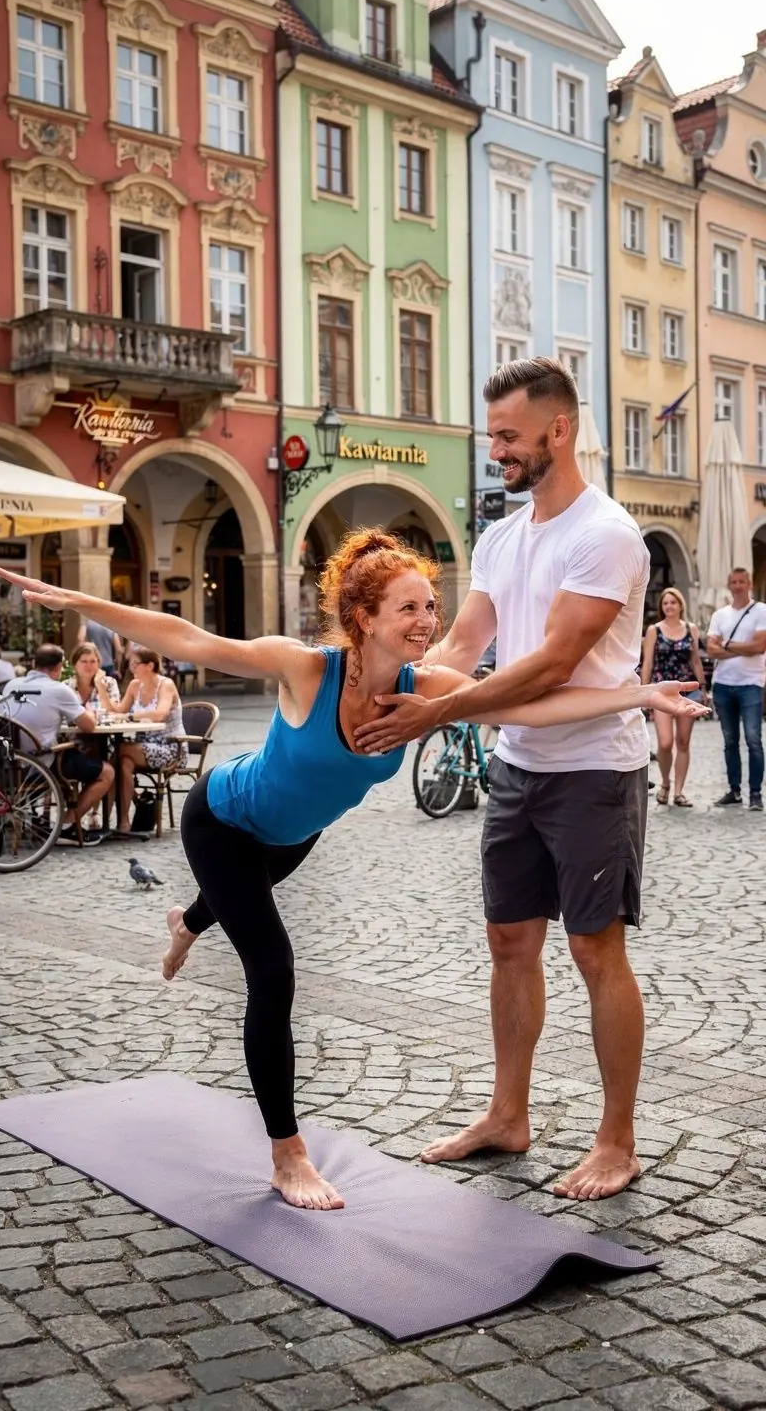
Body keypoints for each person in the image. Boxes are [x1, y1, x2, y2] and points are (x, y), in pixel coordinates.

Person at [0, 537, 702, 1210]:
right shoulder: (307, 668)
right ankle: (287, 1155)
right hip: (224, 822)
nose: (428, 622)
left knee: (252, 893)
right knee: (272, 971)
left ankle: (190, 919)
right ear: (364, 618)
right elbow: (187, 638)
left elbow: (533, 706)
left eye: (431, 606)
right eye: (409, 608)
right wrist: (78, 601)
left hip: (293, 838)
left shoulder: (430, 688)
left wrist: (638, 696)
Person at [353, 358, 657, 1202]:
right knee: (509, 944)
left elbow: (552, 664)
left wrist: (437, 715)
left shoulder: (606, 535)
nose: (497, 452)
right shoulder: (500, 535)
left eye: (510, 437)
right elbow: (463, 644)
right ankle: (507, 1115)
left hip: (595, 768)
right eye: (493, 436)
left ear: (559, 432)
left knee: (597, 950)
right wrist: (400, 684)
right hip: (518, 769)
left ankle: (616, 1139)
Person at [0, 644, 114, 847]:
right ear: (59, 667)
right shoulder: (59, 689)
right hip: (42, 764)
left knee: (76, 757)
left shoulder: (11, 685)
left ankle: (51, 820)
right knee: (107, 772)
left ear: (34, 664)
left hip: (9, 764)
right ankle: (67, 825)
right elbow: (89, 726)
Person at [706, 567, 766, 811]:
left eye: (742, 581)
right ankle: (734, 790)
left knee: (753, 739)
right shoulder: (720, 615)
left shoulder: (761, 610)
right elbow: (711, 650)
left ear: (749, 584)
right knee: (730, 741)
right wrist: (744, 646)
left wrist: (727, 644)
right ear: (729, 586)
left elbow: (760, 647)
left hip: (751, 684)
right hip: (723, 684)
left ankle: (755, 793)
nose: (738, 586)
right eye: (734, 582)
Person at [640, 588, 707, 807]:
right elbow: (648, 662)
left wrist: (703, 687)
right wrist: (643, 692)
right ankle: (665, 783)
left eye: (673, 602)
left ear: (680, 605)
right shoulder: (654, 630)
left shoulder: (691, 629)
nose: (669, 606)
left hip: (688, 690)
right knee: (666, 742)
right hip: (662, 691)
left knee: (683, 742)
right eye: (665, 603)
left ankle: (678, 791)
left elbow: (695, 660)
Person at [111, 648, 187, 835]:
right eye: (130, 664)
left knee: (115, 755)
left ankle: (101, 810)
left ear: (150, 665)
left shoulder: (165, 685)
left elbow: (160, 714)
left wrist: (131, 717)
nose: (131, 668)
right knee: (122, 763)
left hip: (170, 747)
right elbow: (119, 711)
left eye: (135, 664)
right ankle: (124, 823)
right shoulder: (134, 686)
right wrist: (103, 691)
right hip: (140, 746)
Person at [67, 641, 122, 714]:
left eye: (93, 661)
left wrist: (101, 687)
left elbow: (113, 713)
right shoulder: (65, 686)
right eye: (84, 661)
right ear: (75, 665)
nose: (88, 665)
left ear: (98, 664)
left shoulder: (110, 683)